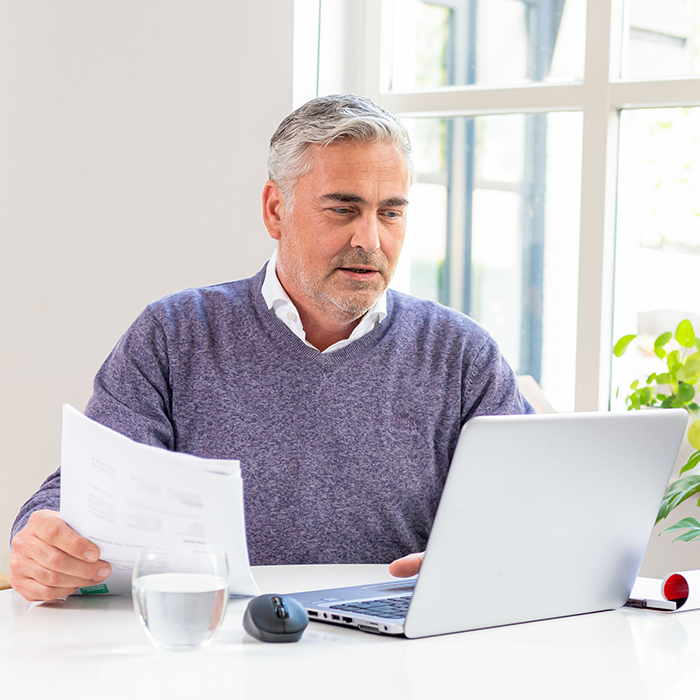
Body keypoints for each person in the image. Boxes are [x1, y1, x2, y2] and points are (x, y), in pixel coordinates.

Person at [9, 94, 533, 602]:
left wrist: (489, 559)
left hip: (400, 648)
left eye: (390, 213)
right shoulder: (175, 335)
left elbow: (533, 506)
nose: (370, 239)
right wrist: (42, 541)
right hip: (216, 647)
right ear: (276, 209)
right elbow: (84, 494)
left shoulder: (460, 355)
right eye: (343, 209)